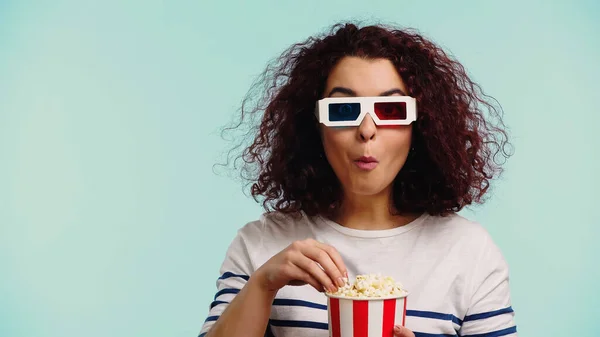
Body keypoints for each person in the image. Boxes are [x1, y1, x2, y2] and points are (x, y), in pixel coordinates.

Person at [199, 22, 517, 337]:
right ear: (314, 126)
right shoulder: (261, 246)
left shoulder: (469, 252)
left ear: (420, 126)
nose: (366, 130)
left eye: (391, 109)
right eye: (344, 109)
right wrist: (263, 284)